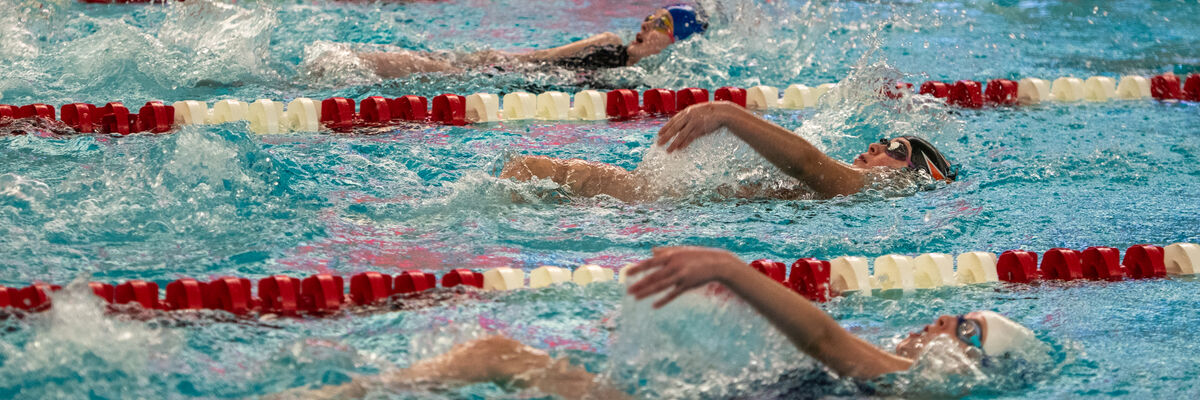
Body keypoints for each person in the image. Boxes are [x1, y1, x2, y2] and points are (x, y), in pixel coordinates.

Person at [272, 246, 1038, 400]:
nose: (943, 318)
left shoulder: (915, 387)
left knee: (498, 354)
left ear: (973, 363)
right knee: (495, 354)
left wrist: (730, 269)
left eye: (965, 327)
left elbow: (823, 339)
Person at [499, 101, 956, 202]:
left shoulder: (875, 186)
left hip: (674, 208)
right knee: (527, 171)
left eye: (895, 149)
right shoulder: (863, 192)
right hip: (687, 203)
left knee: (530, 172)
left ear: (911, 174)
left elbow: (807, 164)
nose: (877, 145)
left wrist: (728, 115)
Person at [355, 4, 709, 79]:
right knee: (433, 69)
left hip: (520, 81)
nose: (646, 23)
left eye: (661, 22)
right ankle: (349, 61)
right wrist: (497, 63)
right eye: (650, 16)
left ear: (675, 41)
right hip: (511, 71)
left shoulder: (651, 79)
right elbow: (543, 55)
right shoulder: (609, 41)